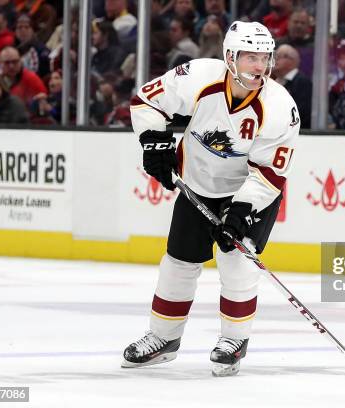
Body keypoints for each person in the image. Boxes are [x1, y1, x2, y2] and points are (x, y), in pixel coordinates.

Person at [122, 21, 299, 376]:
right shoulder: (199, 76)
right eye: (250, 57)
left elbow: (269, 174)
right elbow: (146, 100)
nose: (259, 67)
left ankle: (234, 341)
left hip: (250, 193)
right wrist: (154, 140)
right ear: (230, 56)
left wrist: (240, 212)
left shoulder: (280, 107)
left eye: (264, 58)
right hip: (197, 184)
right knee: (178, 262)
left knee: (236, 262)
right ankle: (164, 339)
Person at [273, 44, 312, 128]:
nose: (275, 59)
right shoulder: (275, 82)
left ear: (293, 61)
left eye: (280, 56)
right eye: (275, 56)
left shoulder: (302, 82)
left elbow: (301, 112)